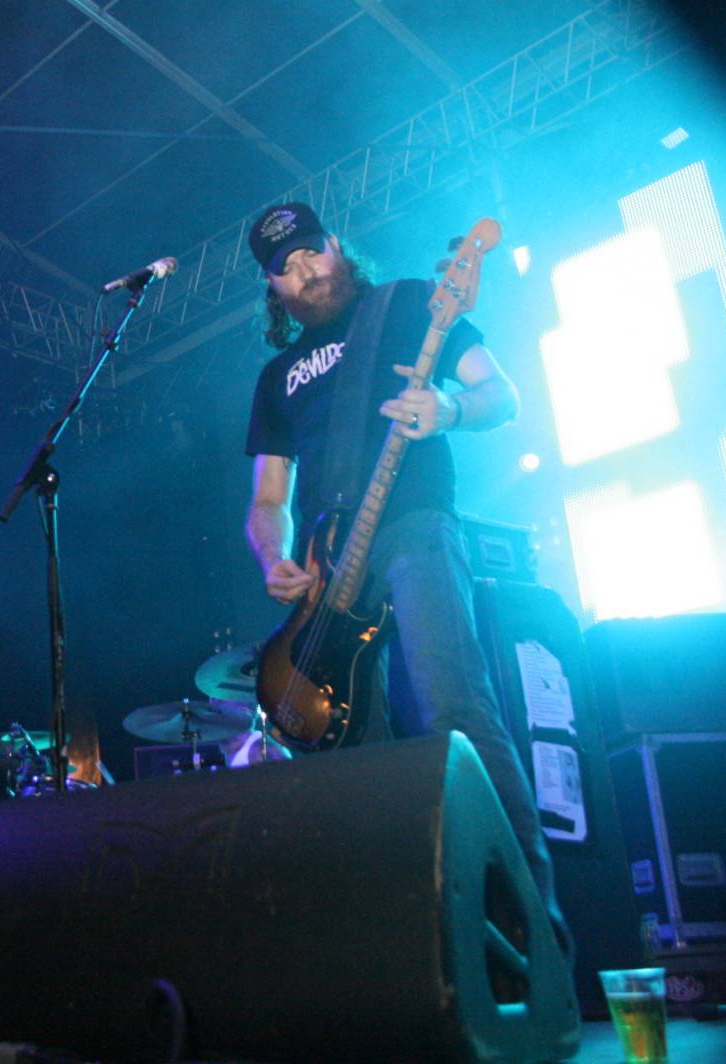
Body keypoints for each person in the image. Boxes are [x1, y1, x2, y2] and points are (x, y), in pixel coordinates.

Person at [241, 202, 570, 951]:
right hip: (329, 567)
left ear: (337, 247)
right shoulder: (277, 376)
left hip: (413, 523)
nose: (305, 273)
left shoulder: (414, 303)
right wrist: (272, 557)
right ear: (273, 289)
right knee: (352, 755)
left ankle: (531, 928)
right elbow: (267, 499)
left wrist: (449, 408)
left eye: (311, 253)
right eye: (285, 269)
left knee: (454, 703)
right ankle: (404, 943)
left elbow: (502, 394)